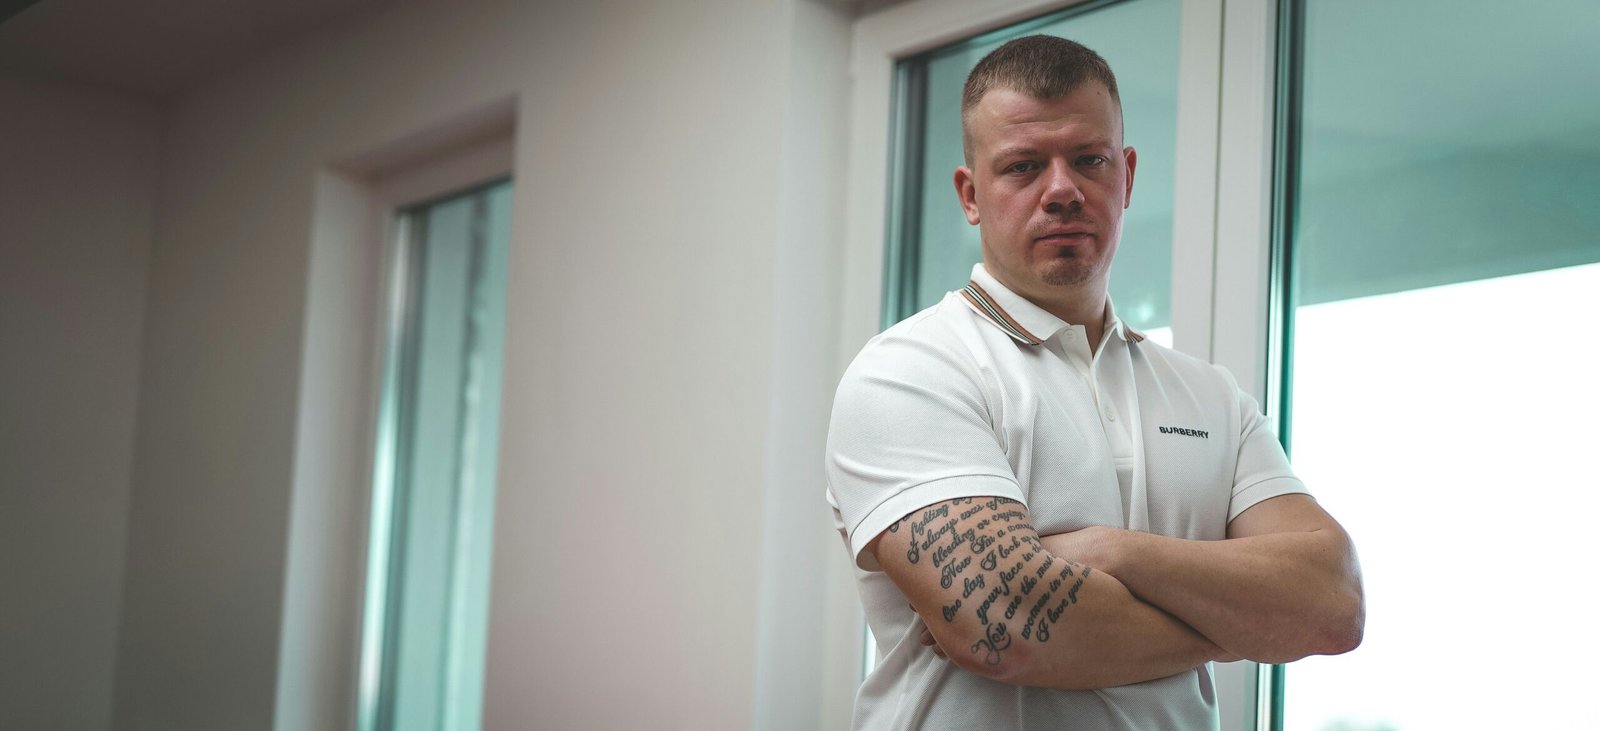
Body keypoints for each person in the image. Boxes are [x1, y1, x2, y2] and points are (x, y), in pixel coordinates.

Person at [824, 35, 1364, 730]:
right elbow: (1008, 626)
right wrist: (1244, 629)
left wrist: (1114, 551)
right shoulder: (911, 371)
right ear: (970, 194)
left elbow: (1333, 601)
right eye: (1022, 167)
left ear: (1127, 176)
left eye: (1089, 160)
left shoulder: (1209, 395)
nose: (1061, 190)